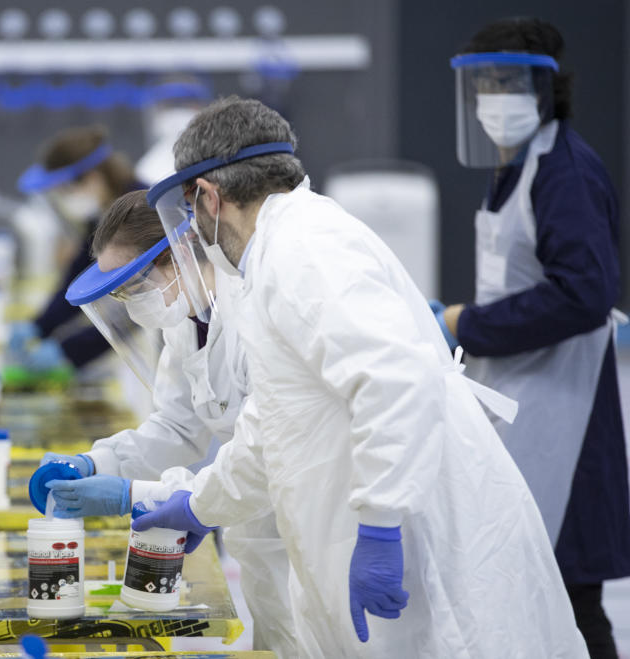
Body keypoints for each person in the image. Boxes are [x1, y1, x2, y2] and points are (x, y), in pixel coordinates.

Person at [134, 96, 589, 657]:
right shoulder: (281, 251)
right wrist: (202, 504)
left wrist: (379, 523)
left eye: (190, 211)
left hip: (420, 546)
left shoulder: (302, 250)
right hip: (384, 531)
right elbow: (276, 426)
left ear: (208, 196)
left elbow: (393, 379)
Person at [432, 18, 630, 658]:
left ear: (545, 87)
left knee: (571, 605)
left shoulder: (565, 172)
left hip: (565, 424)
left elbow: (584, 293)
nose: (493, 95)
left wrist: (466, 323)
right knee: (524, 599)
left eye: (506, 81)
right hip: (521, 405)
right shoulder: (517, 166)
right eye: (483, 82)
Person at [31, 190, 300, 656]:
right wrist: (96, 463)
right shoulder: (184, 321)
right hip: (259, 537)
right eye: (121, 292)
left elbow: (265, 455)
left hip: (309, 527)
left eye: (135, 285)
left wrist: (132, 495)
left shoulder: (255, 313)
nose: (133, 303)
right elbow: (176, 428)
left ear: (180, 256)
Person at [10, 125, 139, 372]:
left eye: (63, 190)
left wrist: (67, 351)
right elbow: (78, 277)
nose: (62, 199)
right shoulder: (104, 215)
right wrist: (40, 326)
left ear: (92, 178)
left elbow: (134, 311)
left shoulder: (139, 213)